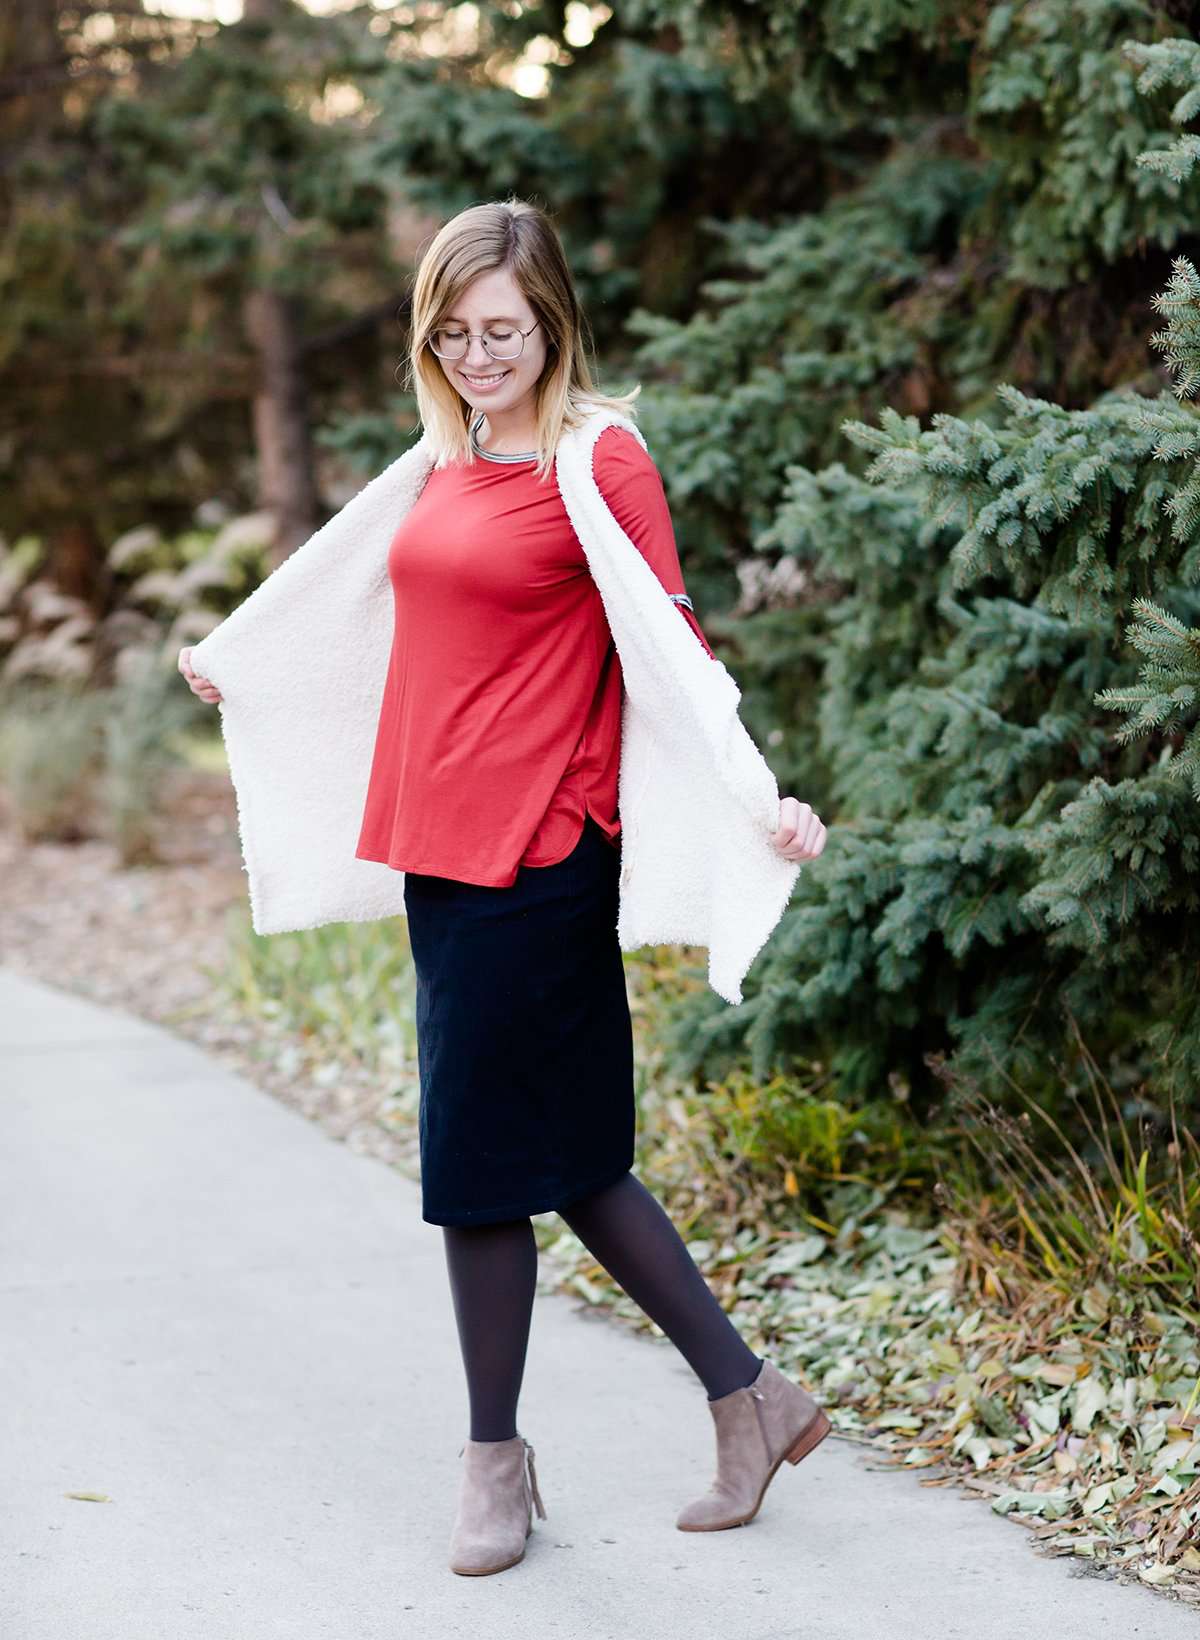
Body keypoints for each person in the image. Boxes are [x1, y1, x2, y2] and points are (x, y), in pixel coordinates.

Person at [179, 197, 829, 1579]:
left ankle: (494, 1465)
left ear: (554, 326)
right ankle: (751, 1399)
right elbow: (353, 588)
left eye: (506, 332)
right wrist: (247, 651)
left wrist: (759, 798)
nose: (480, 355)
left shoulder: (599, 462)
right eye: (456, 332)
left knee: (479, 1164)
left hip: (539, 853)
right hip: (443, 854)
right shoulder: (446, 458)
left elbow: (674, 649)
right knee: (578, 1157)